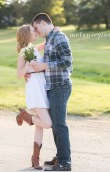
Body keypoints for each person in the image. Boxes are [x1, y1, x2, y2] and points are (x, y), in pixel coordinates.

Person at [30, 13, 73, 172]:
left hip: (60, 86)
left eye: (36, 27)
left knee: (60, 125)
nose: (36, 31)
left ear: (42, 23)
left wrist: (45, 65)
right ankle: (60, 157)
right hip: (53, 87)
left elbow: (68, 62)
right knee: (56, 125)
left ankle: (65, 163)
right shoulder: (50, 38)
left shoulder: (59, 38)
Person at [16, 24, 53, 170]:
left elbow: (46, 43)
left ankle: (35, 159)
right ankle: (25, 116)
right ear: (27, 35)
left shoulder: (33, 48)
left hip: (41, 86)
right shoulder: (25, 51)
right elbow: (19, 74)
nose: (36, 32)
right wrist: (27, 67)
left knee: (40, 125)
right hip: (35, 89)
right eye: (33, 31)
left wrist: (54, 31)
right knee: (47, 123)